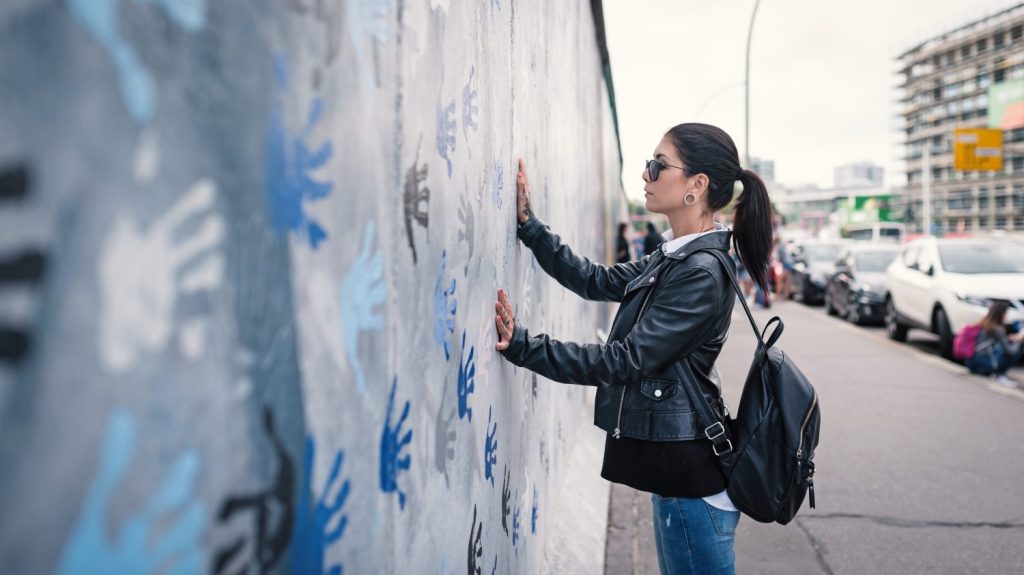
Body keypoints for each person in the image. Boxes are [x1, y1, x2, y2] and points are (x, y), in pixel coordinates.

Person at [494, 123, 774, 575]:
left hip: (692, 487)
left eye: (658, 165)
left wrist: (525, 347)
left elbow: (625, 360)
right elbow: (596, 280)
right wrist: (530, 228)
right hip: (678, 474)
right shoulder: (676, 256)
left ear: (696, 186)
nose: (646, 174)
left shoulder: (699, 272)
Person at [965, 301, 1023, 387]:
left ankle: (997, 374)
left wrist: (1010, 339)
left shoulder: (984, 324)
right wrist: (1019, 339)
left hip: (971, 364)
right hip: (984, 367)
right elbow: (1010, 352)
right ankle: (999, 375)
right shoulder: (997, 329)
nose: (1007, 316)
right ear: (1001, 314)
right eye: (1006, 313)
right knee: (1018, 349)